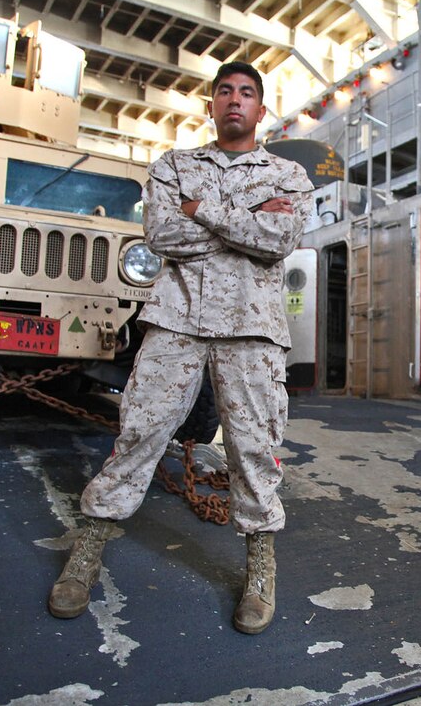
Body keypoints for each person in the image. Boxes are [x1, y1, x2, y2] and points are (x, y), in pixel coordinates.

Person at [47, 61, 314, 635]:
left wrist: (205, 211)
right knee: (140, 433)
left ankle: (260, 567)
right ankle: (88, 548)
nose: (235, 100)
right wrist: (243, 221)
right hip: (178, 321)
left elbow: (280, 241)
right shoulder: (174, 166)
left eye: (247, 93)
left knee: (253, 447)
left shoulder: (289, 174)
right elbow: (162, 235)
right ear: (211, 105)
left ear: (261, 111)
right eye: (225, 92)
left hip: (252, 328)